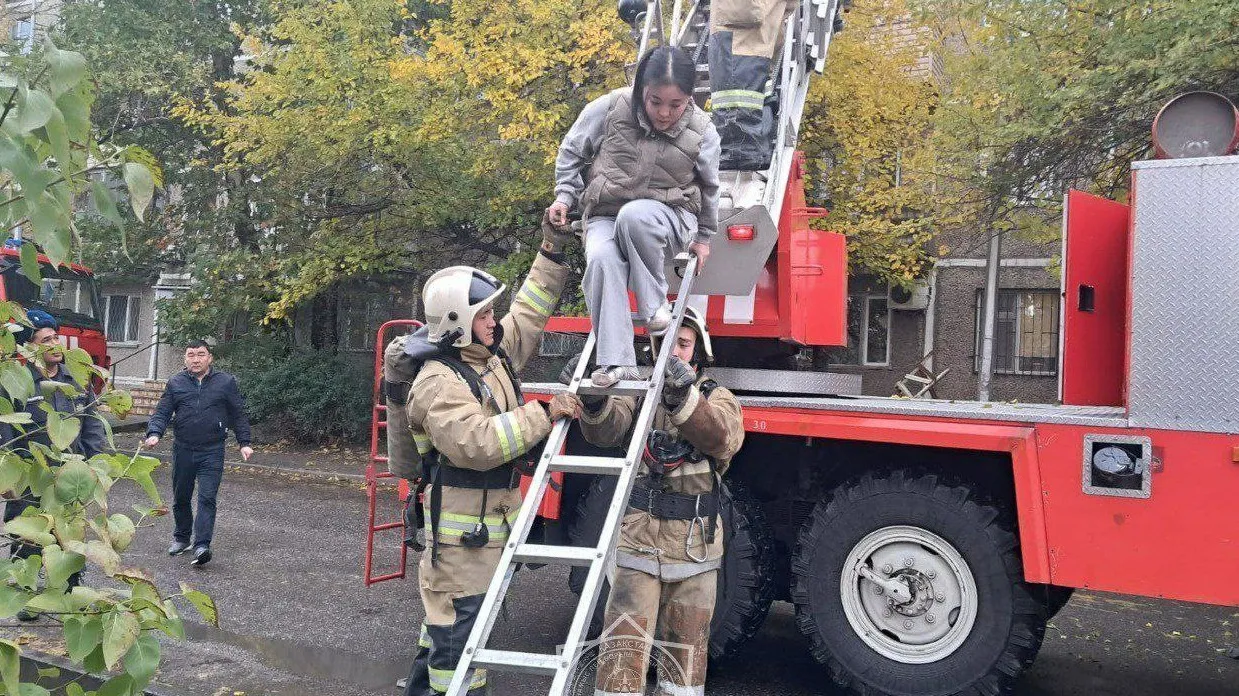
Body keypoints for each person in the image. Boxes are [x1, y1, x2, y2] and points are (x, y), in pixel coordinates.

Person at [400, 220, 584, 696]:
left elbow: (529, 313)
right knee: (460, 648)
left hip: (482, 535)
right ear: (459, 324)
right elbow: (478, 444)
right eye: (485, 315)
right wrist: (541, 413)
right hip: (460, 544)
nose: (495, 322)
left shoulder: (488, 358)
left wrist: (552, 248)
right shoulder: (437, 383)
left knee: (443, 632)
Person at [574, 307, 744, 696]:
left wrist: (683, 397)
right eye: (665, 344)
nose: (673, 353)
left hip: (695, 547)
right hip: (639, 540)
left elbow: (723, 440)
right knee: (623, 653)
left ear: (698, 352)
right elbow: (607, 431)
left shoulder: (718, 398)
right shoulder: (639, 394)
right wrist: (595, 404)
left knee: (685, 660)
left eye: (682, 344)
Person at [549, 45, 721, 388]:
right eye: (655, 101)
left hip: (671, 216)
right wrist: (565, 196)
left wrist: (703, 238)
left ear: (689, 98)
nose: (664, 113)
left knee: (635, 216)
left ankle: (654, 307)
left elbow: (710, 188)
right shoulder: (611, 108)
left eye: (676, 104)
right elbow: (571, 149)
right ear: (642, 88)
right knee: (600, 258)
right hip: (606, 214)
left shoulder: (703, 132)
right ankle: (617, 364)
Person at [2, 309, 108, 618]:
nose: (56, 344)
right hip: (29, 476)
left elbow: (91, 423)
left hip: (69, 474)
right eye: (47, 339)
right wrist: (8, 480)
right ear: (31, 347)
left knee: (71, 533)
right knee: (28, 535)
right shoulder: (18, 382)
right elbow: (4, 430)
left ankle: (70, 592)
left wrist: (89, 466)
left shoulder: (75, 378)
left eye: (56, 337)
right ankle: (25, 594)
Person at [143, 340, 252, 567]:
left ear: (209, 357)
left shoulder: (226, 382)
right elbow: (163, 411)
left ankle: (202, 545)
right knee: (181, 496)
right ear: (185, 359)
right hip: (183, 449)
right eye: (191, 355)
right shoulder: (176, 383)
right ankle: (181, 538)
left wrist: (244, 442)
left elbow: (238, 414)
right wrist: (154, 433)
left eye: (200, 354)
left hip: (212, 450)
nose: (195, 359)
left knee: (207, 497)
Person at [709, 0, 795, 170]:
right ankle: (752, 146)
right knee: (758, 84)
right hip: (756, 26)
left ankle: (739, 150)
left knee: (736, 88)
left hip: (740, 25)